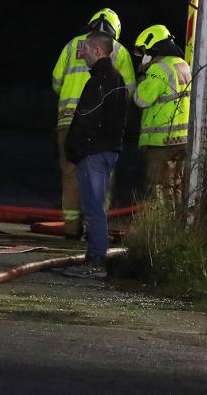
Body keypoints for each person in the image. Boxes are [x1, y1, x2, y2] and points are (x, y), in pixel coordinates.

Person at [52, 8, 135, 239]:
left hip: (67, 120)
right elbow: (127, 91)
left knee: (70, 174)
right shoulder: (119, 51)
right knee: (100, 178)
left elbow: (56, 82)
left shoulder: (71, 46)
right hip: (102, 127)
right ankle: (93, 230)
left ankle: (71, 229)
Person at [63, 34, 128, 278]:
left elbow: (85, 119)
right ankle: (94, 257)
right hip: (109, 150)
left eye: (87, 50)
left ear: (99, 51)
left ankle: (96, 260)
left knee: (93, 206)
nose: (83, 54)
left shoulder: (99, 82)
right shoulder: (118, 80)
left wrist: (73, 148)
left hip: (93, 153)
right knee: (95, 204)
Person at [133, 25, 191, 209]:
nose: (142, 57)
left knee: (158, 185)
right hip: (182, 139)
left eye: (143, 52)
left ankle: (165, 225)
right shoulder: (183, 65)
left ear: (152, 50)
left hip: (161, 141)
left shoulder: (159, 69)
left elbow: (141, 99)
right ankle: (178, 224)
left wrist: (142, 76)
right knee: (175, 184)